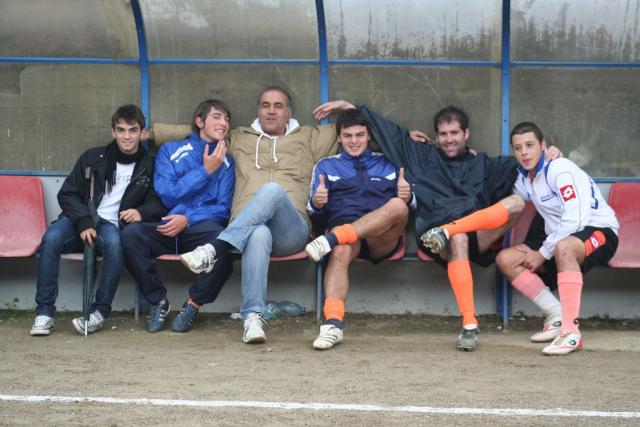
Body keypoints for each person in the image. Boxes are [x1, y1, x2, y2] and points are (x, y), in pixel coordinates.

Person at [314, 100, 561, 352]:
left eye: (454, 133)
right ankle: (469, 324)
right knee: (458, 238)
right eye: (443, 134)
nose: (449, 139)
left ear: (466, 133)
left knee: (516, 203)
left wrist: (550, 154)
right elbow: (387, 130)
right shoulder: (422, 156)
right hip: (435, 233)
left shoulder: (484, 164)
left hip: (476, 233)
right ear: (436, 136)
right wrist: (350, 107)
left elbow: (528, 161)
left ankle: (451, 230)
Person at [162, 87, 340, 343]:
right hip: (246, 231)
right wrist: (150, 133)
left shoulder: (309, 137)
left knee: (272, 190)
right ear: (258, 110)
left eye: (278, 106)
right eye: (266, 105)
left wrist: (347, 108)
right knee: (258, 233)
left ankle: (214, 249)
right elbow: (198, 131)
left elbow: (357, 131)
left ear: (289, 113)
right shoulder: (239, 138)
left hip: (290, 228)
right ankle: (253, 318)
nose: (271, 111)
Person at [30, 104, 166, 336]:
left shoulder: (150, 165)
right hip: (80, 220)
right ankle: (44, 313)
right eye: (121, 130)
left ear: (142, 133)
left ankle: (99, 313)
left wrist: (141, 212)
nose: (127, 136)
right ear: (113, 131)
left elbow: (160, 202)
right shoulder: (93, 157)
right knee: (51, 239)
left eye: (133, 130)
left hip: (111, 227)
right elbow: (67, 194)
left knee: (114, 244)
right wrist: (84, 220)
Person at [494, 122, 618, 355]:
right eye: (518, 148)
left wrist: (542, 253)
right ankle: (556, 315)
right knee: (506, 259)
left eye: (530, 145)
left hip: (599, 230)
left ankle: (571, 333)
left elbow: (575, 220)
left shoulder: (559, 169)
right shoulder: (525, 179)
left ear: (543, 145)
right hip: (558, 237)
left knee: (564, 248)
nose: (524, 153)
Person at [120, 99, 235, 333]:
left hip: (199, 228)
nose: (223, 123)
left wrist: (189, 218)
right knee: (130, 235)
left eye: (226, 119)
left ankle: (193, 304)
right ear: (199, 121)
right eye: (217, 117)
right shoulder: (170, 151)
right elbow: (167, 194)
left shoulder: (227, 161)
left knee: (227, 242)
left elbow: (223, 208)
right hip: (167, 225)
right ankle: (158, 302)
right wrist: (205, 171)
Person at [304, 109, 411, 350]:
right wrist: (317, 203)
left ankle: (331, 239)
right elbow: (315, 214)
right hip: (344, 230)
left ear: (369, 135)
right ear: (339, 138)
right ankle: (332, 325)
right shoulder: (326, 165)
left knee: (398, 205)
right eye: (348, 135)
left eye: (360, 135)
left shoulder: (389, 162)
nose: (354, 141)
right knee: (340, 250)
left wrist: (408, 195)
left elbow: (410, 208)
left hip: (381, 236)